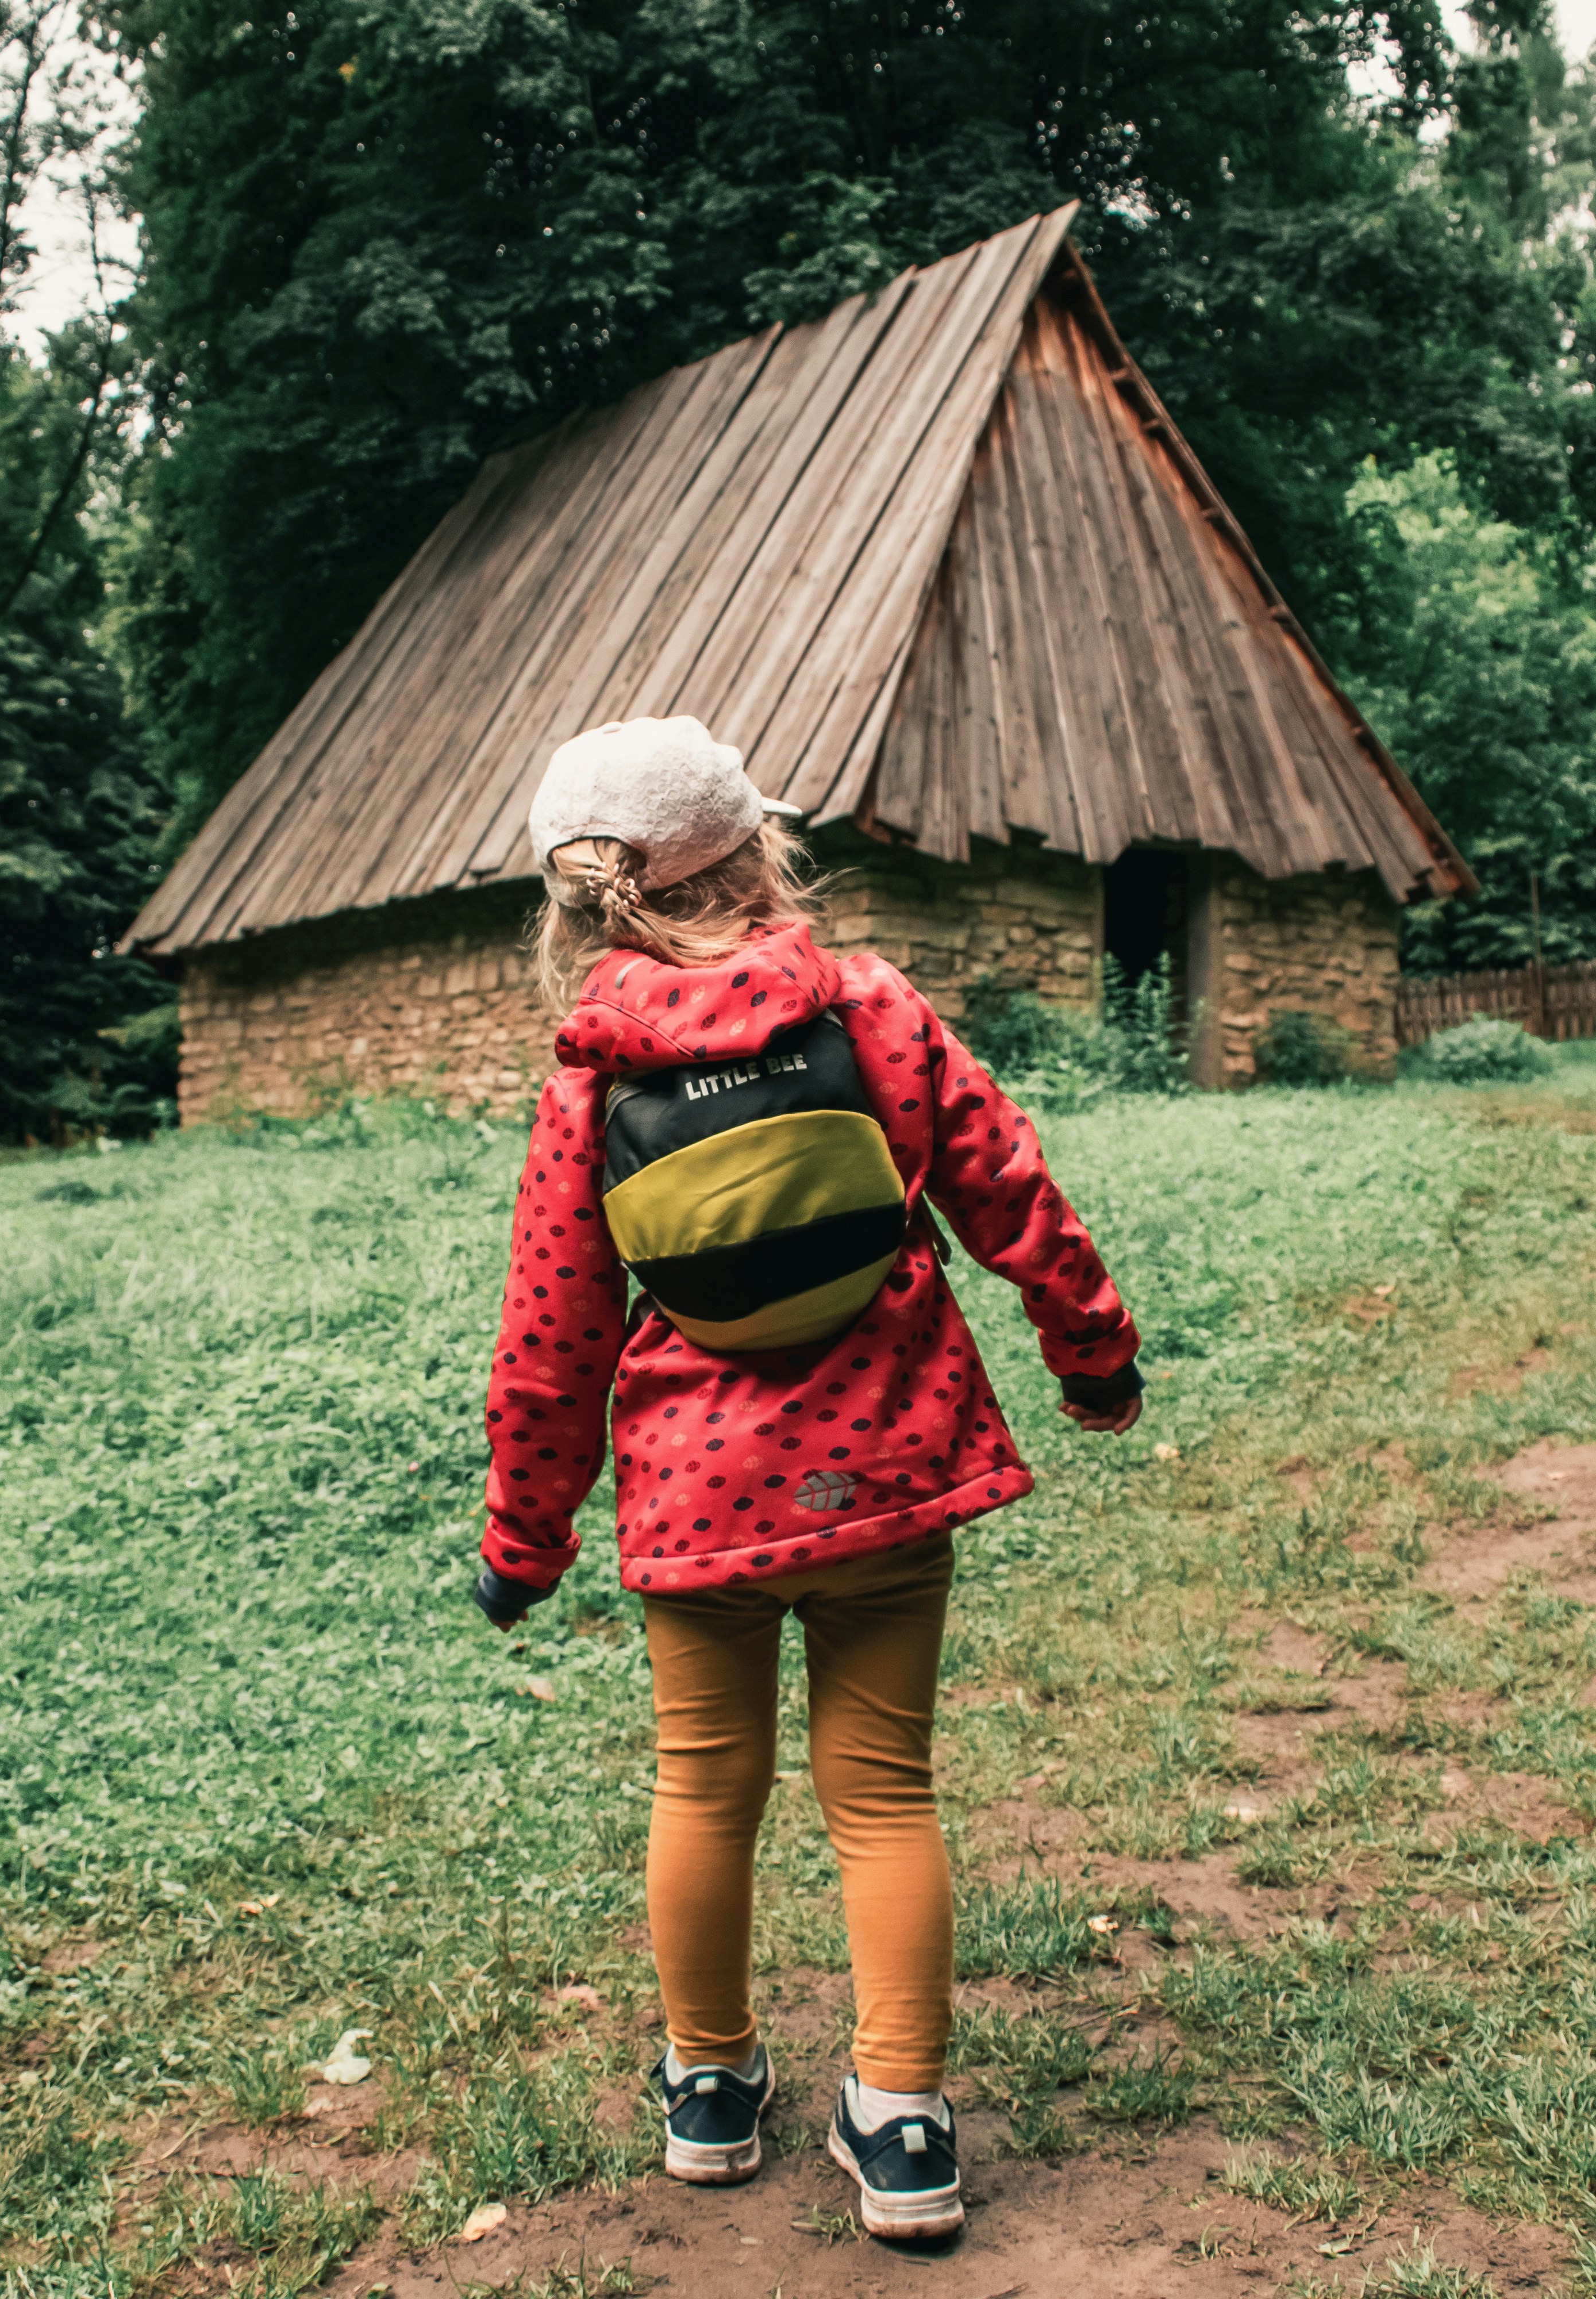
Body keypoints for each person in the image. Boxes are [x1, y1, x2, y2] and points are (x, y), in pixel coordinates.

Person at [470, 715, 1144, 2241]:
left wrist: (527, 1536)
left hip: (696, 1500)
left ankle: (709, 2088)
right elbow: (1013, 1191)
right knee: (883, 1791)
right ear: (755, 854)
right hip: (892, 1468)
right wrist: (1090, 1357)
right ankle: (901, 2117)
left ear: (582, 906)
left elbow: (551, 1332)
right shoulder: (874, 1005)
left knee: (705, 1784)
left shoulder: (590, 1078)